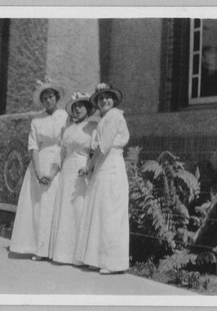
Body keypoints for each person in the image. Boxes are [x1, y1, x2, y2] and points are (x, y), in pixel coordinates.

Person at [9, 78, 68, 261]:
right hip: (39, 162)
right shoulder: (37, 120)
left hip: (57, 162)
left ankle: (52, 250)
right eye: (45, 98)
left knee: (53, 205)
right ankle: (37, 248)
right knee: (37, 206)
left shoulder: (65, 117)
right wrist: (38, 171)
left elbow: (64, 145)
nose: (48, 100)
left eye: (51, 97)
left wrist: (51, 173)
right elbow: (33, 146)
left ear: (56, 98)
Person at [75, 83, 130, 274]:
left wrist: (88, 166)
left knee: (110, 211)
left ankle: (112, 262)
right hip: (103, 166)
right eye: (100, 98)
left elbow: (103, 146)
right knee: (99, 209)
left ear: (113, 100)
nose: (104, 100)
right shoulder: (103, 119)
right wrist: (91, 168)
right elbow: (97, 146)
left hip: (112, 165)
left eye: (107, 97)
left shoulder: (115, 116)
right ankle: (96, 258)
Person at [48, 92, 99, 265]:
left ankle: (79, 256)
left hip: (81, 170)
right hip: (67, 171)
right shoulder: (68, 127)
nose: (77, 109)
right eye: (75, 106)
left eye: (81, 105)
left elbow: (96, 152)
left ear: (88, 108)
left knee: (79, 208)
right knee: (65, 209)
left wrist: (89, 168)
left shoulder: (93, 127)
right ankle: (62, 253)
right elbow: (61, 152)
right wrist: (53, 172)